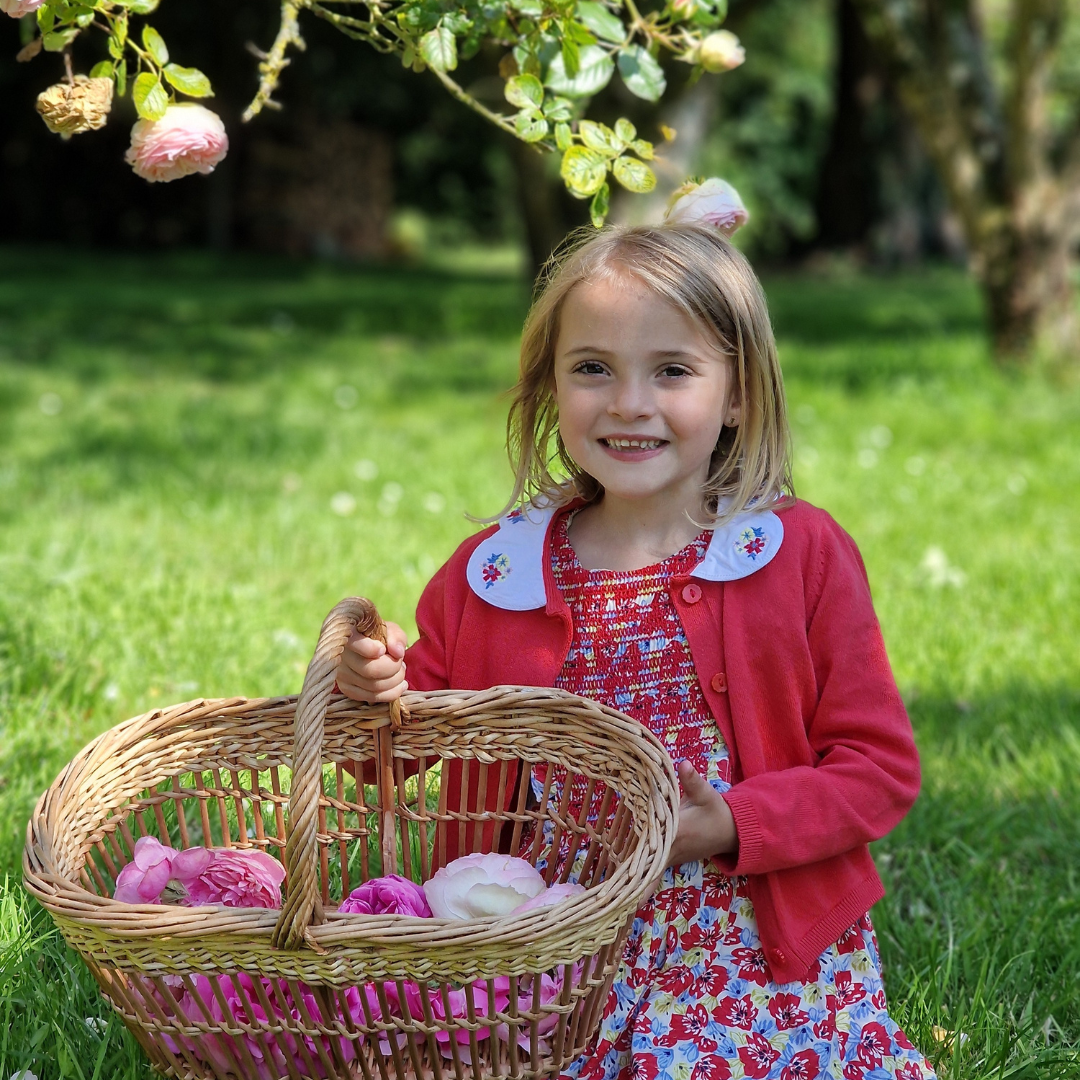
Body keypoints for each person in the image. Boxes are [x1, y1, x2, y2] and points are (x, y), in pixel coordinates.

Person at [336, 186, 936, 1080]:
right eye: (591, 369)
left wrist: (730, 821)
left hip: (747, 941)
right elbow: (396, 754)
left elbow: (877, 770)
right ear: (548, 387)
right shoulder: (495, 573)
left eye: (672, 371)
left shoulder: (794, 554)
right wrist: (375, 694)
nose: (628, 403)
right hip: (545, 943)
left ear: (737, 394)